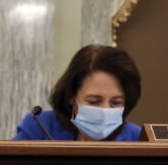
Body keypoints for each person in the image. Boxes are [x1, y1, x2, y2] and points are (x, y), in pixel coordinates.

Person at [13, 44, 142, 142]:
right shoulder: (40, 128)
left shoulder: (137, 138)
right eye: (94, 102)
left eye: (116, 103)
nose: (105, 110)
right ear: (72, 96)